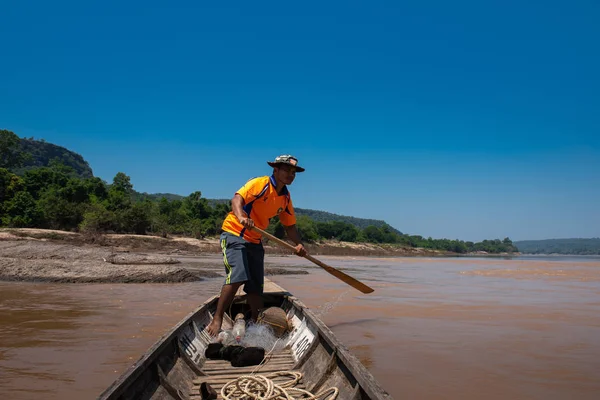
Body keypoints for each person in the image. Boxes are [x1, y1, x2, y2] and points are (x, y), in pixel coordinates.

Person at [206, 154, 308, 337]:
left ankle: (255, 321)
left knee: (255, 285)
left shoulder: (285, 198)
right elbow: (237, 199)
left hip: (255, 239)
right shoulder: (261, 184)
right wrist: (242, 217)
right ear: (275, 170)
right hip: (235, 233)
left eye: (294, 172)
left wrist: (299, 244)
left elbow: (289, 225)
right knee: (237, 275)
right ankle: (218, 317)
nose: (291, 175)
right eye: (287, 170)